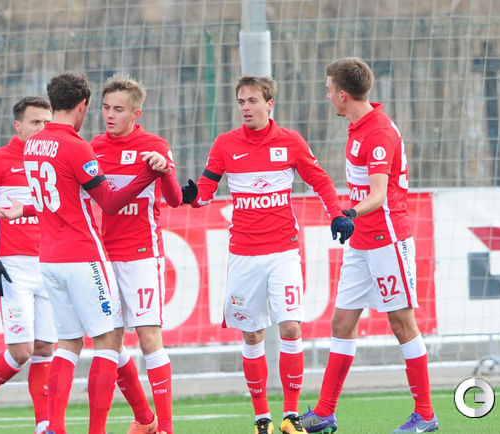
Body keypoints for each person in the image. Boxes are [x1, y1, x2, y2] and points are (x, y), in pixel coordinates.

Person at [0, 72, 171, 434]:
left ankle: (55, 427)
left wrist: (24, 210)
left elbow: (59, 197)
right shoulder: (78, 147)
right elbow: (109, 202)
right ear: (83, 105)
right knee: (107, 341)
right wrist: (146, 176)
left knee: (68, 343)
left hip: (49, 259)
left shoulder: (32, 145)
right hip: (84, 256)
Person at [182, 76, 354, 434]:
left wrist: (337, 214)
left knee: (290, 326)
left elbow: (320, 181)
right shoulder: (225, 144)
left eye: (252, 101)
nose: (246, 107)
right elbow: (205, 192)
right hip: (244, 255)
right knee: (252, 334)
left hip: (283, 251)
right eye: (241, 101)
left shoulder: (290, 141)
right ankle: (262, 418)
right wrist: (188, 195)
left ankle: (291, 416)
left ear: (269, 104)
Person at [301, 57, 438, 434]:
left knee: (401, 323)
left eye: (329, 89)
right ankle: (325, 412)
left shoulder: (378, 132)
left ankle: (425, 415)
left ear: (343, 95)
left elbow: (378, 195)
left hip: (388, 239)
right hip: (361, 241)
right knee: (342, 321)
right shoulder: (358, 126)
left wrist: (349, 213)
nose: (327, 95)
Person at [89, 76, 182, 434]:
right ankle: (144, 419)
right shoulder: (94, 147)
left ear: (135, 113)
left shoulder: (154, 145)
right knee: (109, 342)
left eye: (118, 109)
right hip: (105, 258)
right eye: (105, 108)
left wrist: (165, 171)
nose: (110, 115)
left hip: (143, 255)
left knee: (148, 337)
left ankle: (166, 427)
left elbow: (174, 199)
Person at [0, 96, 57, 434]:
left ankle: (44, 425)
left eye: (47, 122)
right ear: (18, 126)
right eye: (35, 122)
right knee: (22, 351)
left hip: (50, 264)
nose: (42, 128)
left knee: (46, 348)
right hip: (13, 267)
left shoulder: (54, 159)